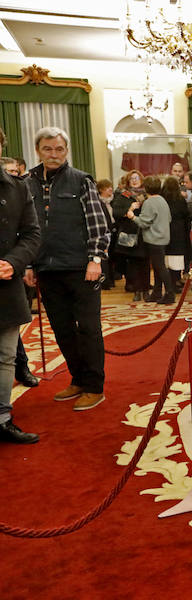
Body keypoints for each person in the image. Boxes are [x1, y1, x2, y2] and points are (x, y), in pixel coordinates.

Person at [24, 126, 110, 411]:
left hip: (81, 268)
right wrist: (26, 263)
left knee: (88, 329)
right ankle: (78, 379)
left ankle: (95, 387)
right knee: (61, 329)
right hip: (46, 269)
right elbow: (24, 228)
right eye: (48, 149)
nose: (54, 154)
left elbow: (98, 223)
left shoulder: (81, 181)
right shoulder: (27, 183)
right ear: (38, 150)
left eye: (59, 149)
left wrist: (95, 259)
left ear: (67, 151)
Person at [0, 126, 41, 443]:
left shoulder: (16, 188)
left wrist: (13, 262)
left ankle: (2, 419)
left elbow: (31, 234)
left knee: (5, 356)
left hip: (5, 283)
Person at [127, 176, 174, 304]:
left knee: (160, 267)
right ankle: (157, 292)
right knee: (159, 267)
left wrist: (132, 216)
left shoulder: (149, 202)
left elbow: (143, 222)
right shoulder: (163, 200)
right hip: (163, 237)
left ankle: (170, 293)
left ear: (146, 188)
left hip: (154, 239)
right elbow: (169, 218)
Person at [112, 170, 151, 302]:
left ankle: (146, 290)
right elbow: (116, 213)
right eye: (132, 179)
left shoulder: (147, 195)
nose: (134, 181)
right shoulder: (123, 196)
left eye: (137, 178)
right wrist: (130, 208)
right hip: (130, 235)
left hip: (145, 234)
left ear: (141, 180)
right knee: (133, 265)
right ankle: (136, 290)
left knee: (145, 264)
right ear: (128, 181)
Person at [161, 176, 190, 293]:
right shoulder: (180, 199)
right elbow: (186, 215)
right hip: (179, 231)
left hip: (165, 229)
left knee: (167, 257)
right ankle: (176, 279)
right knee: (177, 257)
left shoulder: (162, 199)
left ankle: (169, 283)